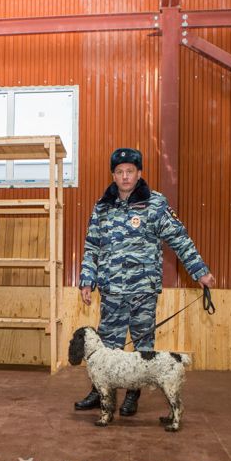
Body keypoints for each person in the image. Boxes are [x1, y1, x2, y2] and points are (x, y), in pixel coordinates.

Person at [74, 148, 215, 415]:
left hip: (143, 290)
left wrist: (200, 272)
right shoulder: (102, 207)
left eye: (130, 171)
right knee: (107, 345)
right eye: (120, 172)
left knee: (142, 345)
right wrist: (87, 280)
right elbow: (92, 247)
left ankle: (133, 394)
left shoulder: (155, 204)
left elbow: (179, 239)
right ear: (113, 175)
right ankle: (100, 391)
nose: (125, 176)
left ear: (139, 173)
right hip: (112, 290)